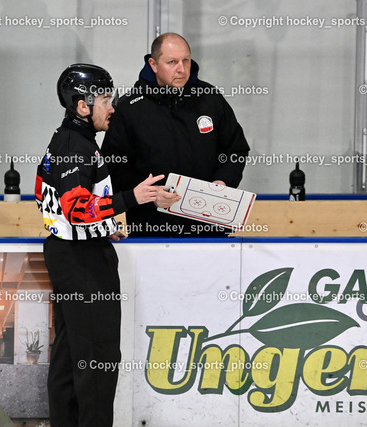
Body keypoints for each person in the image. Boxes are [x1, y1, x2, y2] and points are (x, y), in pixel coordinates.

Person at [35, 64, 163, 426]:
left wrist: (102, 226)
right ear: (82, 106)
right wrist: (131, 198)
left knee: (70, 355)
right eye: (105, 99)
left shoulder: (70, 139)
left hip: (72, 254)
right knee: (98, 360)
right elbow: (76, 209)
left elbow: (65, 207)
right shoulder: (76, 145)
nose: (112, 107)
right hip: (82, 262)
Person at [102, 32, 250, 237]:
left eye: (186, 60)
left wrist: (222, 183)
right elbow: (113, 167)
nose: (181, 69)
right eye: (172, 62)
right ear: (153, 64)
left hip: (210, 228)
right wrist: (150, 195)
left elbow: (235, 150)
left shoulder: (210, 99)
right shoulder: (130, 108)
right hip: (153, 230)